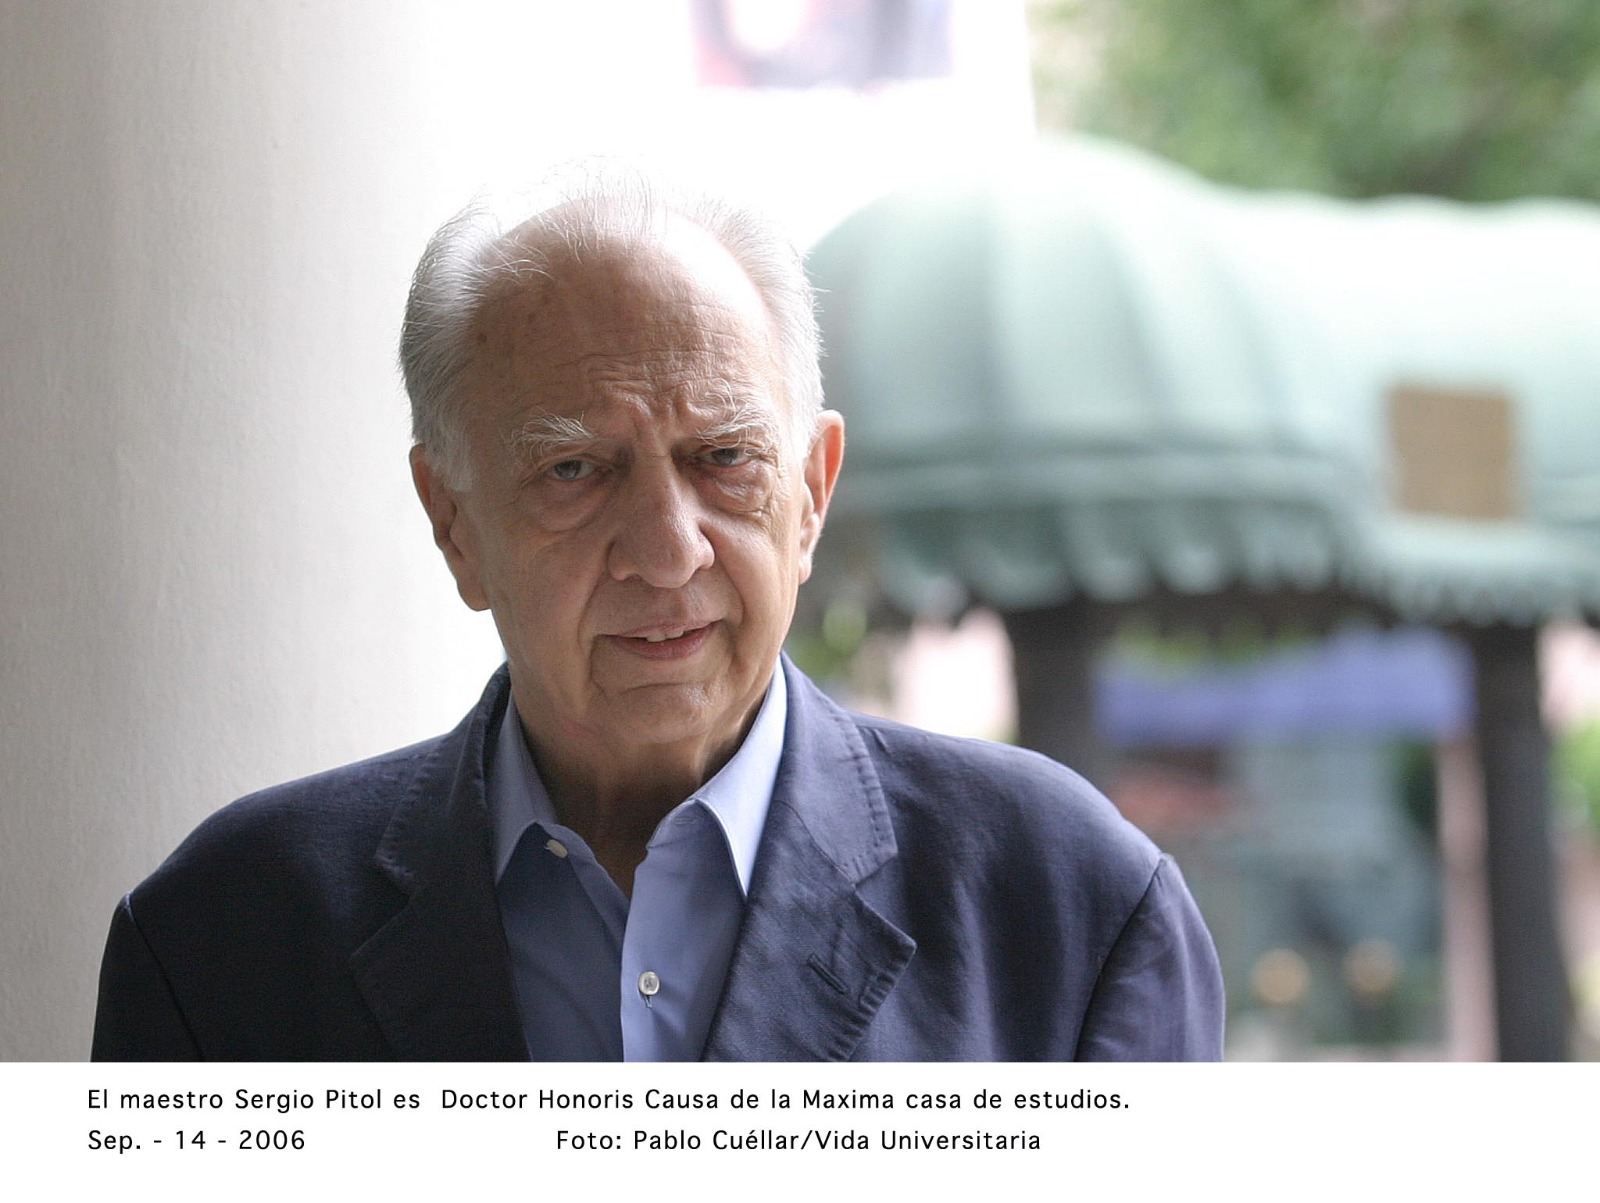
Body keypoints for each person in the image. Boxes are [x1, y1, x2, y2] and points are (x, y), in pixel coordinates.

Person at [92, 163, 1224, 1061]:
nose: (668, 549)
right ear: (454, 523)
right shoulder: (224, 936)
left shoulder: (1072, 907)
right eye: (575, 470)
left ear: (812, 492)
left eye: (724, 457)